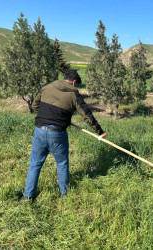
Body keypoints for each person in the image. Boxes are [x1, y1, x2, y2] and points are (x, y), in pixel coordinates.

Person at [22, 70, 107, 200]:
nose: (76, 87)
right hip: (57, 134)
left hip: (39, 130)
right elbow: (86, 115)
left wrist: (47, 116)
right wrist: (100, 131)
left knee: (35, 164)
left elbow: (34, 105)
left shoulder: (47, 86)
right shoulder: (73, 94)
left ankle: (27, 197)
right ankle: (64, 195)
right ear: (74, 82)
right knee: (62, 164)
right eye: (77, 85)